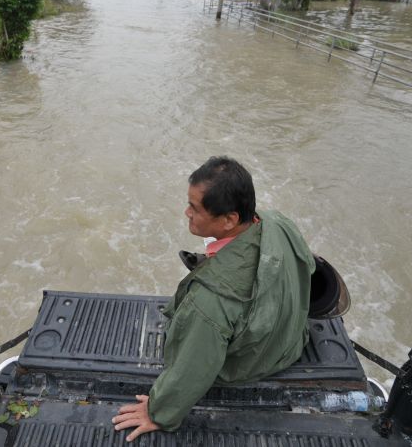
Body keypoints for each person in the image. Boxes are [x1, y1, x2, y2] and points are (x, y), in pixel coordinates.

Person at [112, 156, 316, 442]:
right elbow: (310, 267)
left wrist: (157, 412)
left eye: (194, 208)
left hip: (258, 362)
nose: (186, 213)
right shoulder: (277, 222)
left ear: (230, 219)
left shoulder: (210, 299)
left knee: (195, 337)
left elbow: (194, 368)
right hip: (292, 338)